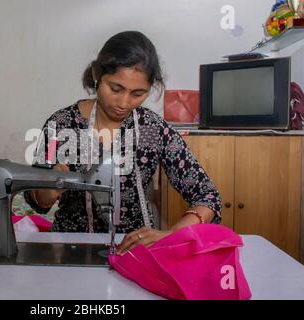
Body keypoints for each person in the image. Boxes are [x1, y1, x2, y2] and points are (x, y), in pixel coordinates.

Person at [24, 31, 221, 255]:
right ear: (97, 74)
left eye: (137, 93)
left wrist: (172, 233)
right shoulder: (60, 125)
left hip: (135, 248)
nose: (124, 103)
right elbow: (36, 200)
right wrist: (46, 191)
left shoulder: (151, 128)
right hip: (70, 245)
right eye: (115, 89)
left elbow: (208, 196)